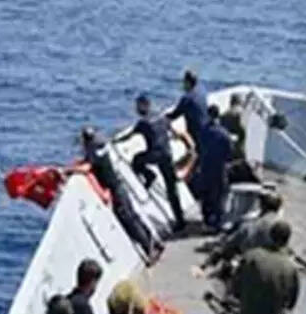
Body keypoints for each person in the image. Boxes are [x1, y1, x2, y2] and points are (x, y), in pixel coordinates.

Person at [73, 126, 164, 264]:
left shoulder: (94, 152)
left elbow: (87, 167)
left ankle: (149, 249)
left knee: (129, 221)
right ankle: (154, 242)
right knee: (134, 216)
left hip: (115, 190)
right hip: (119, 186)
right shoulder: (101, 146)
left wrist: (67, 170)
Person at [113, 94, 196, 233]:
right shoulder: (161, 117)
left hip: (154, 155)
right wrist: (188, 146)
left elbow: (129, 136)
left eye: (137, 107)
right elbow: (176, 132)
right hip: (167, 155)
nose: (136, 110)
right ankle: (180, 220)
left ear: (142, 107)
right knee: (172, 189)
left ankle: (149, 175)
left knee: (136, 160)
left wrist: (115, 141)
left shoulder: (143, 123)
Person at [191, 104, 234, 232]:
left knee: (206, 195)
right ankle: (217, 222)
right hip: (219, 168)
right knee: (220, 195)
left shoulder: (203, 131)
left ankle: (206, 221)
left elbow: (198, 148)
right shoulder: (224, 133)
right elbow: (229, 152)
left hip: (205, 167)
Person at [167, 69, 208, 145]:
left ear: (188, 83)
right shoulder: (202, 92)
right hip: (205, 130)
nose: (183, 84)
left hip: (195, 136)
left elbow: (173, 115)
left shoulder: (187, 98)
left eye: (184, 82)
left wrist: (160, 118)